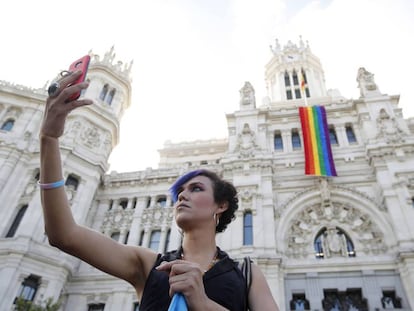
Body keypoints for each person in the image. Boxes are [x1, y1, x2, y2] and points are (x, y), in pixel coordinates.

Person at [39, 70, 279, 310]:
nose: (182, 195)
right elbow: (63, 234)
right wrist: (49, 138)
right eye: (180, 192)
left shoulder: (247, 274)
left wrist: (203, 304)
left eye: (196, 188)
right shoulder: (148, 266)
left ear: (221, 204)